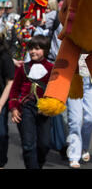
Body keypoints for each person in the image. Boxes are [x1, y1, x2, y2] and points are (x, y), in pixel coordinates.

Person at [8, 35, 53, 169]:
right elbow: (14, 89)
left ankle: (38, 164)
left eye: (37, 49)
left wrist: (51, 105)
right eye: (31, 48)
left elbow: (58, 91)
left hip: (44, 110)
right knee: (28, 145)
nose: (33, 51)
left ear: (45, 50)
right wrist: (14, 108)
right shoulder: (23, 68)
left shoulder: (52, 69)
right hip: (26, 108)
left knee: (44, 145)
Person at [66, 54, 92, 168]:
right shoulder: (68, 36)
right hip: (73, 79)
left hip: (90, 80)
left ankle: (83, 146)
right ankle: (74, 155)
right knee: (75, 120)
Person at [0, 31, 15, 168]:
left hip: (1, 99)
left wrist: (0, 104)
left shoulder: (4, 57)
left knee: (1, 133)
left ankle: (1, 161)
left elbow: (10, 82)